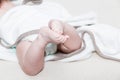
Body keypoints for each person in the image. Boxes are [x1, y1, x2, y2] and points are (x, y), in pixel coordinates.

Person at [0, 0, 82, 76]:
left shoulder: (9, 14)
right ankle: (61, 25)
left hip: (24, 32)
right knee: (74, 46)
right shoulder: (16, 4)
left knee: (30, 69)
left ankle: (41, 39)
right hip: (45, 23)